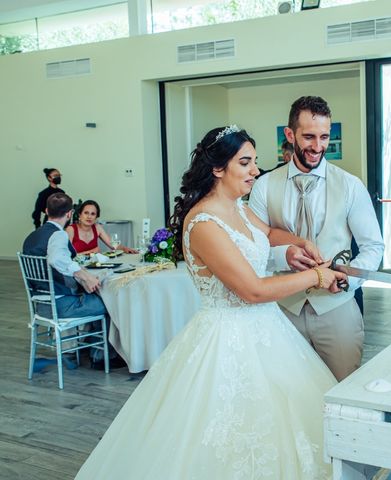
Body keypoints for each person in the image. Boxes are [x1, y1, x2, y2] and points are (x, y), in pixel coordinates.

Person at [75, 126, 347, 479]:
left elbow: (266, 233)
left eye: (255, 162)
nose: (255, 171)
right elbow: (252, 291)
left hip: (268, 330)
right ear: (218, 168)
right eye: (245, 163)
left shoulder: (239, 207)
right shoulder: (203, 222)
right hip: (227, 335)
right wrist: (318, 277)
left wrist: (298, 244)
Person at [249, 96, 384, 381]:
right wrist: (281, 255)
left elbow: (373, 246)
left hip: (337, 310)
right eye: (309, 137)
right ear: (290, 134)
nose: (318, 147)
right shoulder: (263, 186)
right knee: (285, 391)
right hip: (282, 309)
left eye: (324, 137)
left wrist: (350, 280)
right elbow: (253, 245)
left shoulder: (350, 185)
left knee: (343, 389)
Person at [22, 193, 125, 370]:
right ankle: (99, 356)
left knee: (92, 296)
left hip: (41, 304)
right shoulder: (59, 235)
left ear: (47, 211)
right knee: (108, 301)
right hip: (62, 304)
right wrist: (85, 276)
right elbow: (57, 259)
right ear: (70, 214)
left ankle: (87, 347)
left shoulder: (32, 236)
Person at [65, 200, 136, 254]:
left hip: (94, 267)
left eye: (93, 214)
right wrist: (91, 252)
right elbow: (66, 256)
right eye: (86, 213)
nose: (89, 217)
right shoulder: (71, 229)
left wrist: (125, 248)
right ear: (80, 215)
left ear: (96, 217)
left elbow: (112, 245)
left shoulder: (97, 227)